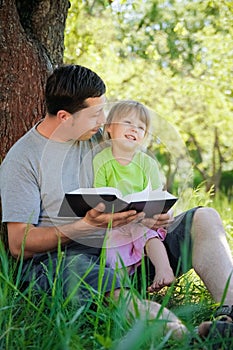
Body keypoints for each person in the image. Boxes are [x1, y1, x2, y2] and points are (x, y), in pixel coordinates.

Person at [0, 64, 233, 341]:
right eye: (95, 114)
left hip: (126, 248)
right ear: (64, 117)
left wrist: (152, 214)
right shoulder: (23, 159)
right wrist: (84, 226)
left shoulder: (102, 137)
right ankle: (190, 338)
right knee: (96, 278)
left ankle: (229, 315)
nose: (103, 120)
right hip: (66, 262)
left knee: (204, 218)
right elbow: (18, 244)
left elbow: (138, 173)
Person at [93, 100, 175, 292]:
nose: (134, 129)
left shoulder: (147, 163)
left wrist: (160, 213)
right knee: (113, 256)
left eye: (140, 127)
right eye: (128, 123)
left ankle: (164, 270)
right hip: (114, 223)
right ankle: (125, 292)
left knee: (146, 234)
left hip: (141, 220)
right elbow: (99, 194)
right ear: (110, 127)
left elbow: (157, 196)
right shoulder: (101, 160)